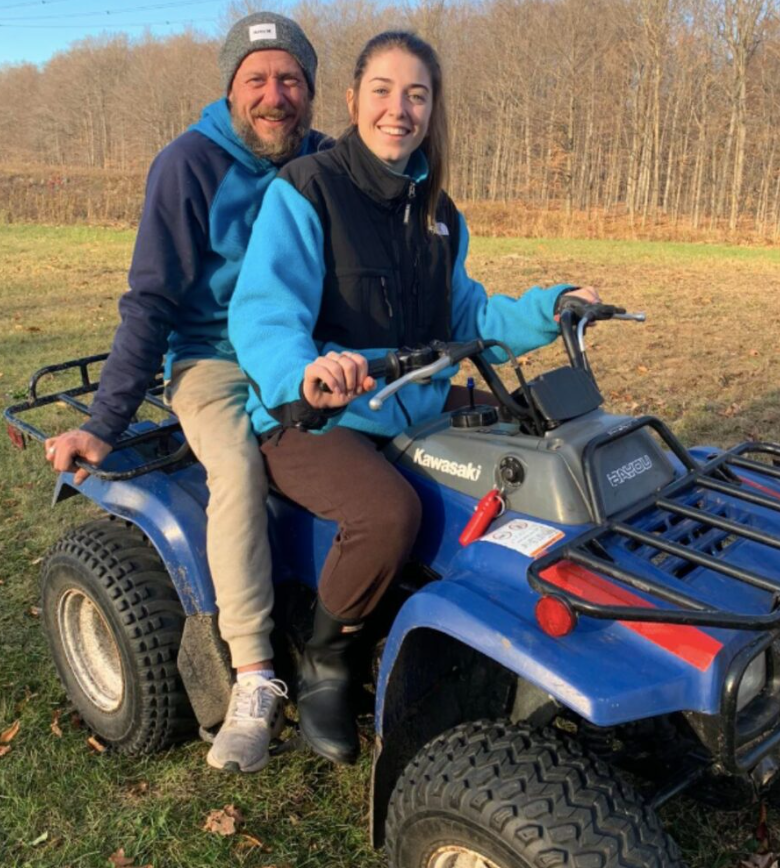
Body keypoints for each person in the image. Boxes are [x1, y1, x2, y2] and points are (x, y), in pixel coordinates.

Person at [230, 31, 599, 765]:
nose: (399, 109)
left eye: (417, 95)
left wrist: (552, 303)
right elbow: (265, 314)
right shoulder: (306, 189)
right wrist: (303, 375)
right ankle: (326, 659)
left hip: (415, 401)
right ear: (354, 99)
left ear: (432, 111)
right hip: (314, 416)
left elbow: (470, 320)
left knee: (534, 440)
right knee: (386, 511)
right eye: (383, 91)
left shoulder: (437, 211)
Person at [43, 12, 331, 774]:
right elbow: (152, 303)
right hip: (216, 359)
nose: (276, 96)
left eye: (291, 79)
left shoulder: (328, 161)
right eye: (259, 80)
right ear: (232, 88)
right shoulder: (189, 165)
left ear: (310, 90)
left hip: (309, 351)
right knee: (235, 471)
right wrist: (105, 424)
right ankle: (253, 675)